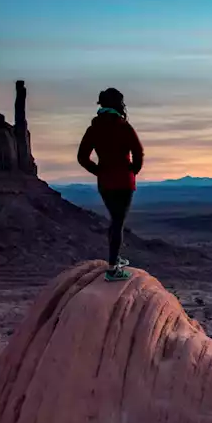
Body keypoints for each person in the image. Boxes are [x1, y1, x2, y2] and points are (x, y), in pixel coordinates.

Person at [77, 88, 144, 280]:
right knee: (118, 222)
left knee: (115, 220)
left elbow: (82, 157)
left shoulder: (94, 128)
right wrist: (133, 170)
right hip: (124, 181)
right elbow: (138, 153)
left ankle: (114, 260)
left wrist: (98, 170)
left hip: (105, 182)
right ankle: (113, 268)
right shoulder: (124, 126)